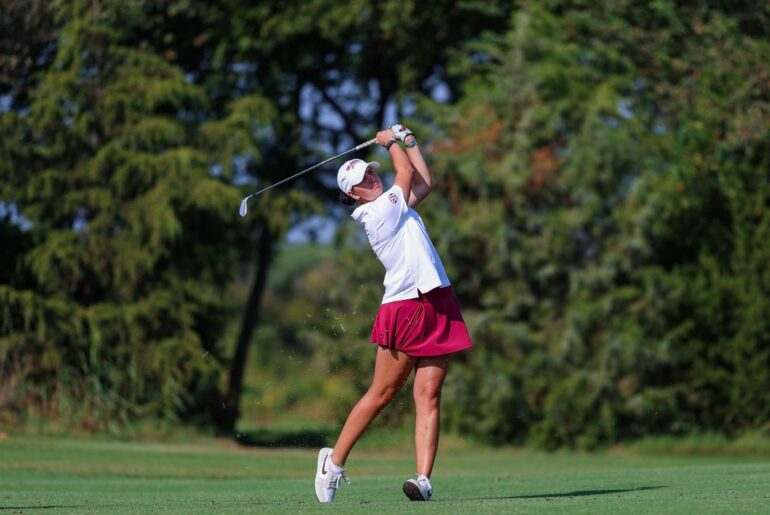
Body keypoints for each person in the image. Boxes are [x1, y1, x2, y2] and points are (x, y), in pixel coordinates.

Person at [314, 124, 473, 503]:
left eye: (371, 173)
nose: (372, 178)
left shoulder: (395, 205)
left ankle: (423, 480)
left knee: (429, 394)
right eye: (363, 180)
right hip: (404, 308)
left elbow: (424, 183)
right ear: (353, 194)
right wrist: (390, 143)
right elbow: (404, 172)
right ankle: (333, 462)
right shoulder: (376, 212)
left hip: (437, 301)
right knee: (383, 392)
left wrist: (409, 139)